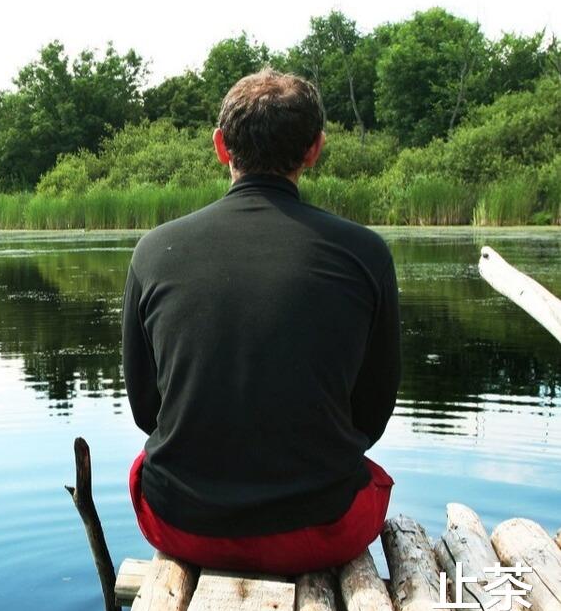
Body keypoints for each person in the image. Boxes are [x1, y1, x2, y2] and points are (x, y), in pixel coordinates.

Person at [122, 68, 401, 575]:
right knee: (367, 475)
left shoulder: (153, 252)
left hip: (183, 521)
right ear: (315, 148)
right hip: (322, 528)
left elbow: (147, 411)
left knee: (144, 466)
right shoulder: (365, 253)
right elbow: (372, 414)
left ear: (221, 146)